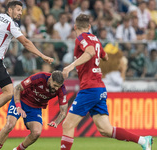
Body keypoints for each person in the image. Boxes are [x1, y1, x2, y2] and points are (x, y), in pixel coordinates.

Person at [60, 14, 153, 150]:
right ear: (89, 27)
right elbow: (106, 56)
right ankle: (143, 140)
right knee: (106, 130)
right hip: (99, 89)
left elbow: (90, 52)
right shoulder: (96, 39)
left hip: (89, 88)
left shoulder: (81, 38)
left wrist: (70, 66)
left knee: (67, 125)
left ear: (75, 27)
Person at [0, 0, 54, 141]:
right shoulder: (11, 24)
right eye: (18, 10)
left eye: (21, 10)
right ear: (10, 10)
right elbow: (26, 42)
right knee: (10, 91)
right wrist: (42, 55)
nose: (20, 13)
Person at [0, 71, 68, 150]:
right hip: (21, 100)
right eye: (55, 85)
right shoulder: (39, 77)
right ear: (50, 80)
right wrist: (18, 106)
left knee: (36, 133)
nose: (56, 88)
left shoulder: (61, 90)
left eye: (58, 86)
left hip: (35, 107)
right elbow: (17, 88)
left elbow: (63, 112)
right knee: (9, 125)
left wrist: (56, 122)